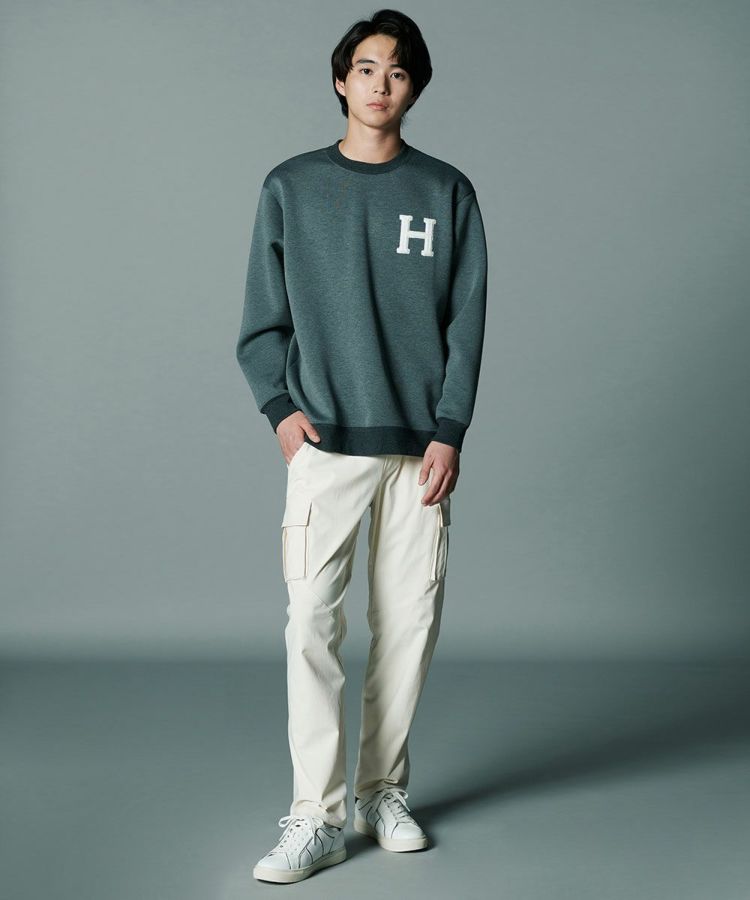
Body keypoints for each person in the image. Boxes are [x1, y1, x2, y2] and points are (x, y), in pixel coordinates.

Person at [236, 8, 488, 885]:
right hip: (327, 446)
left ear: (414, 89)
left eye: (399, 71)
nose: (382, 84)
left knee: (408, 624)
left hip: (419, 450)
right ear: (342, 81)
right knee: (311, 623)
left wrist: (449, 428)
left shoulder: (446, 191)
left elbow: (466, 322)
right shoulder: (292, 186)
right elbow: (261, 319)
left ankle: (383, 791)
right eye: (368, 68)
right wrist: (280, 409)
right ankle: (316, 815)